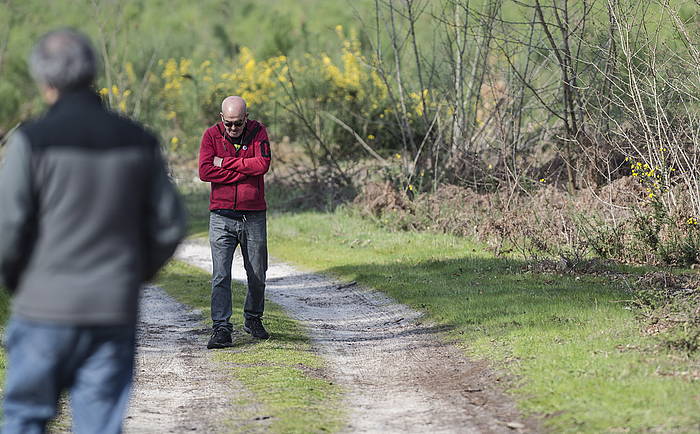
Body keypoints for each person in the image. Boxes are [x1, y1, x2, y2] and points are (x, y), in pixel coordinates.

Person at [0, 29, 186, 433]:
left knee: (25, 418)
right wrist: (133, 274)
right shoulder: (138, 140)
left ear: (43, 79)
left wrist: (17, 282)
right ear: (91, 73)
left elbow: (8, 229)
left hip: (42, 308)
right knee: (101, 423)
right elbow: (170, 224)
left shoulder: (30, 141)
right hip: (111, 307)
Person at [199, 96, 272, 348]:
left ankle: (253, 318)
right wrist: (244, 169)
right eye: (228, 124)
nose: (232, 129)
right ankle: (221, 328)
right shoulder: (210, 136)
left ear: (246, 118)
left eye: (238, 124)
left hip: (253, 215)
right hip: (221, 216)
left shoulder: (258, 132)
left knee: (257, 273)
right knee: (221, 275)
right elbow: (205, 171)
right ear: (221, 118)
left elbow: (262, 164)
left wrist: (226, 164)